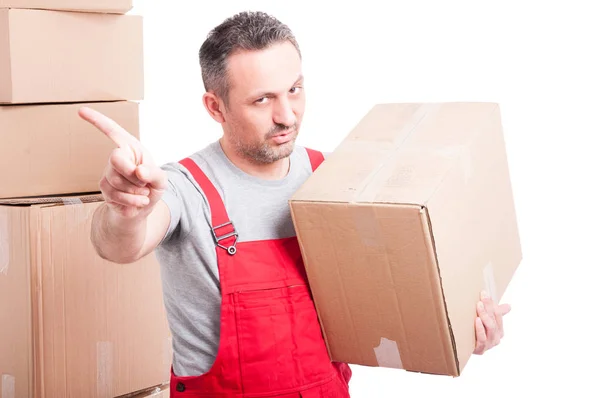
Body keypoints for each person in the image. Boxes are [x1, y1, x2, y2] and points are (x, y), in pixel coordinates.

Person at [78, 11, 512, 397]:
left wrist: (459, 327)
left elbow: (390, 303)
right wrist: (126, 209)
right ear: (216, 107)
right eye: (262, 99)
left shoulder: (336, 180)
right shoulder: (184, 187)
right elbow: (118, 246)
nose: (287, 115)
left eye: (295, 89)